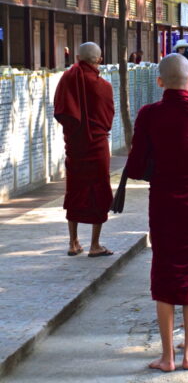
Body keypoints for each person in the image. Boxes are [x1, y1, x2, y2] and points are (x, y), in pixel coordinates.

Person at [125, 53, 188, 371]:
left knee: (166, 271)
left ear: (159, 82)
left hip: (163, 205)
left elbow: (138, 165)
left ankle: (168, 356)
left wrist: (163, 174)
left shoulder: (149, 114)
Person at [53, 42, 115, 257]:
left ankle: (73, 242)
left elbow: (61, 111)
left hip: (76, 145)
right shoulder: (104, 86)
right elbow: (107, 119)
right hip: (96, 145)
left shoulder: (67, 78)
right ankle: (95, 245)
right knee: (99, 190)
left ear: (78, 57)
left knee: (75, 189)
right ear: (99, 59)